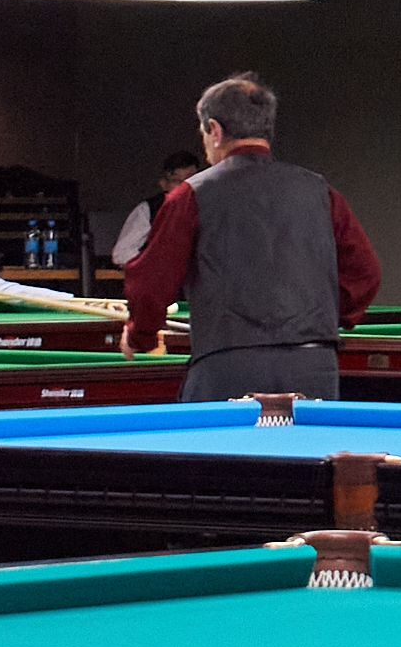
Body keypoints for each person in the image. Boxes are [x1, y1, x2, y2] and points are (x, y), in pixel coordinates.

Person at [121, 73, 380, 401]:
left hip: (226, 364)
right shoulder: (321, 191)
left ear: (214, 131)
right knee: (306, 439)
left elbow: (152, 282)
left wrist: (140, 335)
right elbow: (366, 273)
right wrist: (316, 320)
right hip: (314, 365)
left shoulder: (191, 195)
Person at [111, 150, 202, 266]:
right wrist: (157, 262)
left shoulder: (212, 206)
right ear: (163, 184)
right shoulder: (149, 210)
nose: (185, 187)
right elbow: (122, 253)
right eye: (177, 181)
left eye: (191, 180)